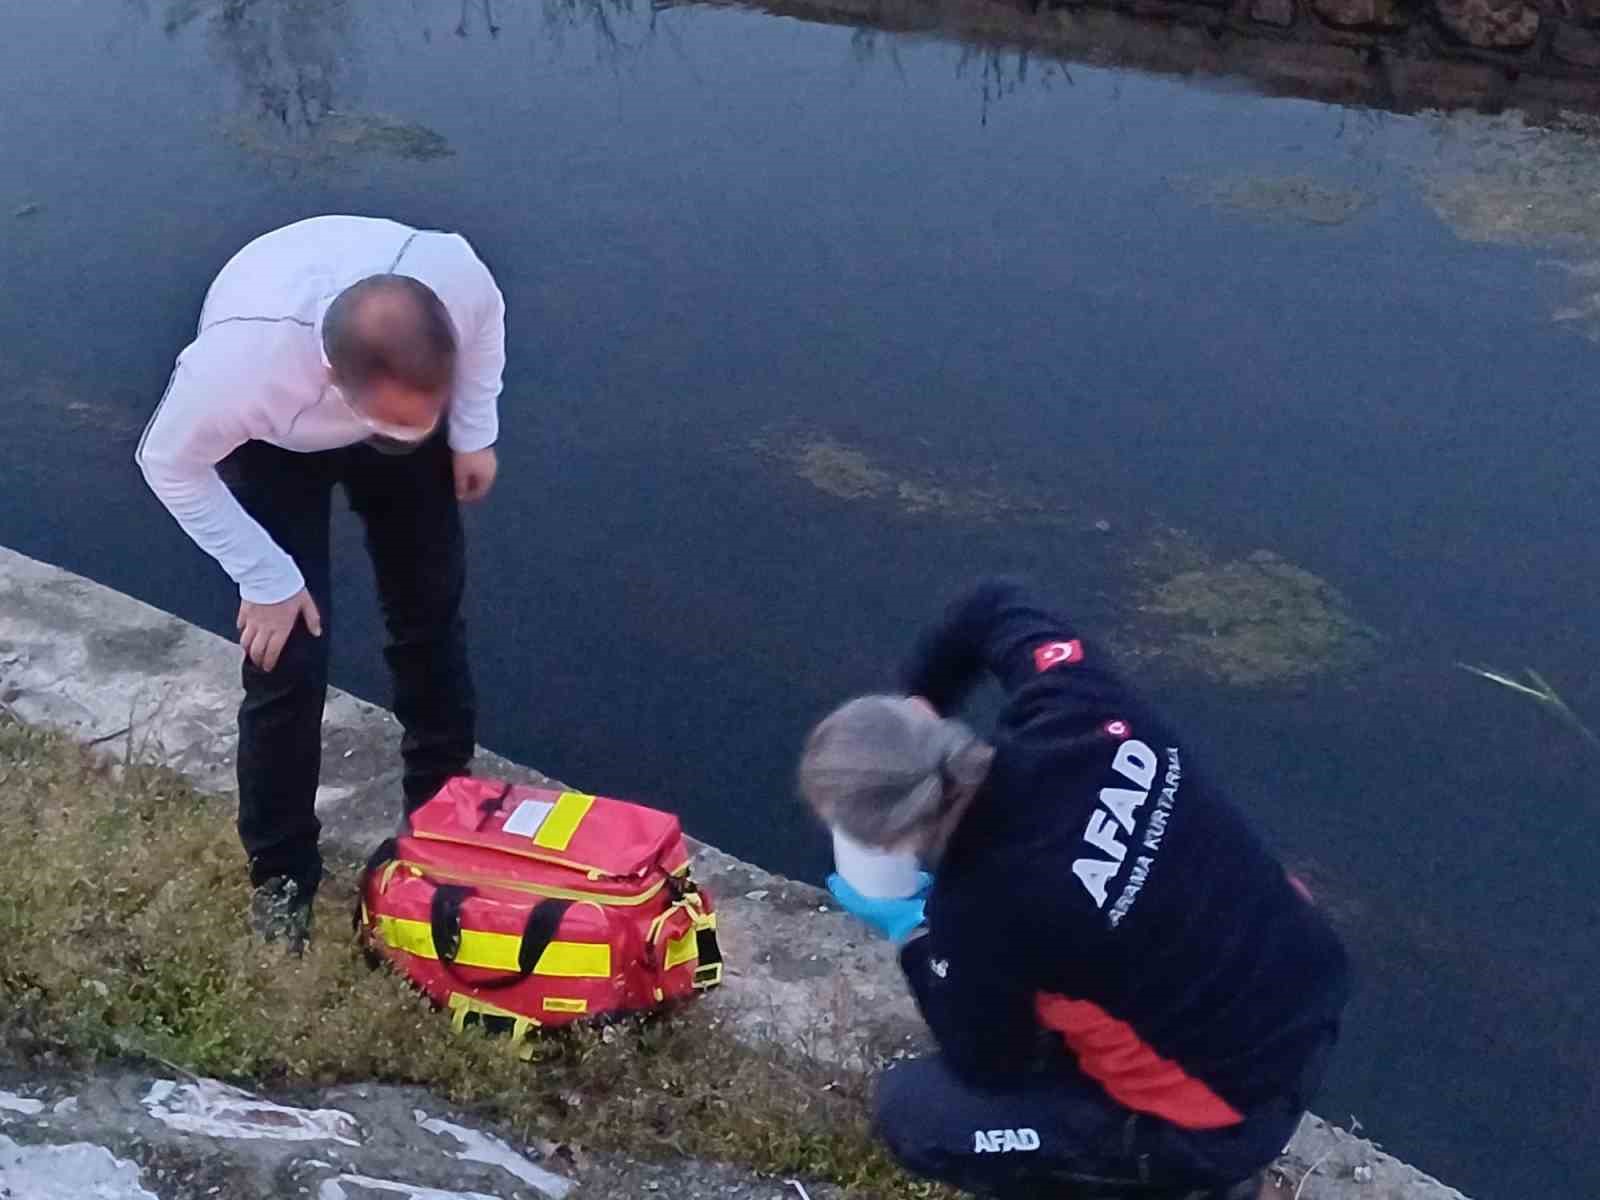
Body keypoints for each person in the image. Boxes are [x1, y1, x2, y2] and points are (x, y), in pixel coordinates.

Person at [798, 579, 1350, 1200]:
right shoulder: (1078, 705)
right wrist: (920, 695)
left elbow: (990, 1064)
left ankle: (1191, 1184)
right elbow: (994, 605)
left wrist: (913, 933)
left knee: (917, 1113)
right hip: (1310, 982)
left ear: (892, 841)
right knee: (1085, 971)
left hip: (1227, 1119)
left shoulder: (983, 911)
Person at [136, 215, 507, 953]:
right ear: (339, 383)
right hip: (279, 444)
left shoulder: (453, 275)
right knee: (288, 658)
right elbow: (169, 465)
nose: (418, 427)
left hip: (394, 380)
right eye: (407, 419)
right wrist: (265, 575)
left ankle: (440, 823)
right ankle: (281, 877)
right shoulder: (234, 374)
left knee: (430, 615)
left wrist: (468, 431)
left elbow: (485, 330)